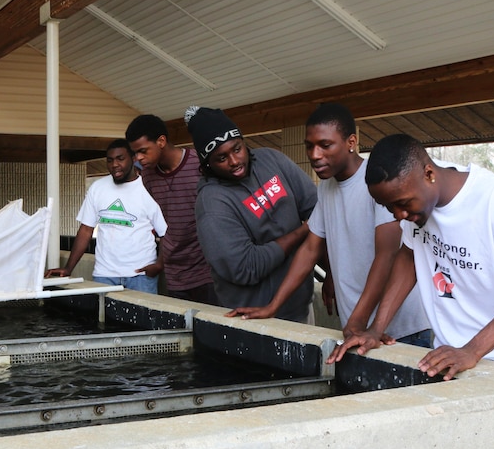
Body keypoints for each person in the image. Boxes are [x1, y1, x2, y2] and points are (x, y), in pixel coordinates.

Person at [328, 133, 494, 379]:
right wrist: (376, 329)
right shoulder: (417, 209)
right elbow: (408, 258)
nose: (399, 215)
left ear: (429, 174)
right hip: (453, 356)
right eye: (389, 208)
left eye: (403, 203)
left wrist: (472, 350)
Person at [229, 104, 430, 345]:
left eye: (325, 145)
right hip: (359, 328)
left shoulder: (379, 181)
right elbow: (310, 249)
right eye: (309, 146)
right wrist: (273, 306)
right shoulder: (326, 188)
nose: (314, 155)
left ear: (351, 141)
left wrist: (358, 320)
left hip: (401, 330)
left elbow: (386, 256)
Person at [185, 106, 318, 323]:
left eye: (237, 149)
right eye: (221, 158)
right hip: (254, 319)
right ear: (207, 164)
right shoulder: (211, 203)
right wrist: (304, 230)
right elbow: (247, 267)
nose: (234, 161)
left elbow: (316, 207)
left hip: (301, 304)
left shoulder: (271, 160)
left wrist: (331, 272)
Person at [45, 139, 167, 294]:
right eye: (110, 160)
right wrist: (69, 268)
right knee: (101, 319)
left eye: (120, 159)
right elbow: (85, 230)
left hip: (141, 276)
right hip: (104, 275)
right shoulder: (98, 188)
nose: (114, 164)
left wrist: (159, 265)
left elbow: (165, 233)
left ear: (133, 158)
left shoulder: (148, 189)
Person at [125, 114, 219, 305]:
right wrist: (160, 263)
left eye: (143, 151)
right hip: (175, 275)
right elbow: (165, 223)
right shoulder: (147, 177)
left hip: (208, 272)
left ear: (161, 141)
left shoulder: (200, 164)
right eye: (135, 153)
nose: (139, 158)